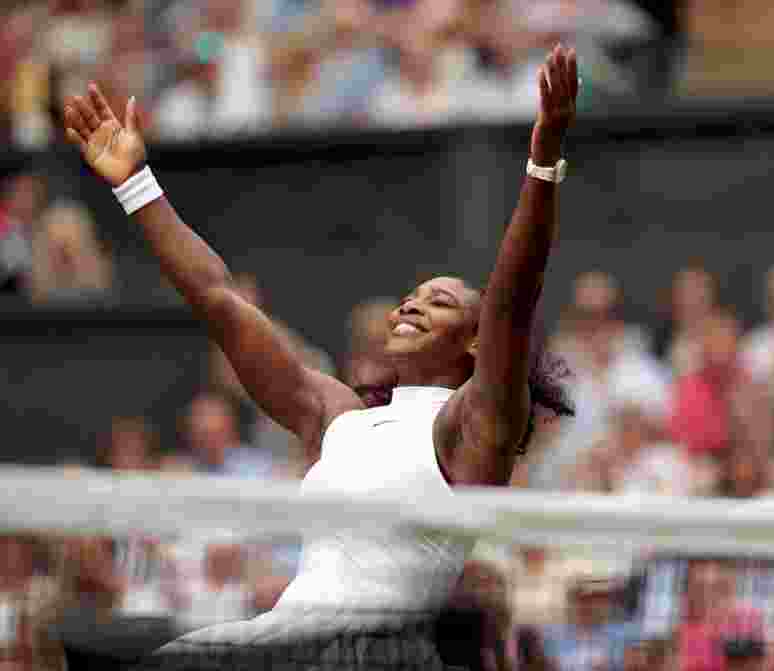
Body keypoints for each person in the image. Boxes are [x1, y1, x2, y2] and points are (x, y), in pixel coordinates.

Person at [61, 43, 578, 670]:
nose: (409, 306)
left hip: (375, 654)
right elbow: (220, 301)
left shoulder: (472, 428)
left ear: (475, 341)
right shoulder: (338, 416)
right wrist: (136, 185)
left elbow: (511, 302)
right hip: (284, 640)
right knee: (83, 646)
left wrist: (543, 160)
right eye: (409, 298)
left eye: (438, 301)